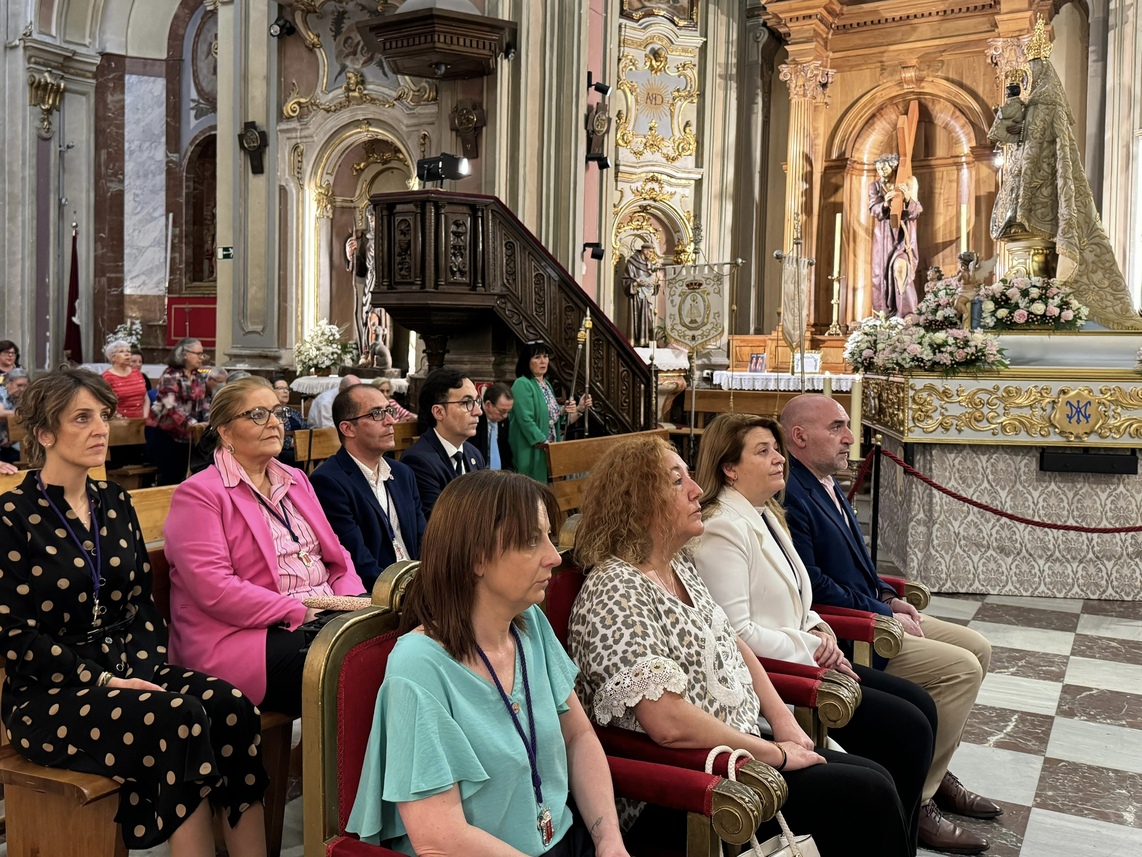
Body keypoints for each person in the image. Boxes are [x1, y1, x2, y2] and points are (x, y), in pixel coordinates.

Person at [566, 434, 911, 857]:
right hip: (685, 784)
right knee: (867, 794)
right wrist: (775, 754)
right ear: (637, 499)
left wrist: (784, 722)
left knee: (876, 778)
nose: (696, 490)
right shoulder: (616, 588)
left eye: (690, 476)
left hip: (739, 752)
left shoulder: (676, 566)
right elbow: (667, 723)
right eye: (677, 481)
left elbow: (730, 641)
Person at [0, 369, 269, 855]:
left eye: (103, 416)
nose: (101, 429)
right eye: (82, 418)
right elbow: (17, 637)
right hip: (50, 695)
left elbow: (141, 605)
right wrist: (106, 681)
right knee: (179, 717)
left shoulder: (114, 501)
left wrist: (143, 670)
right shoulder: (13, 516)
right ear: (43, 433)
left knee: (232, 706)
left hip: (129, 671)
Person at [347, 470, 629, 857]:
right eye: (533, 540)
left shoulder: (529, 625)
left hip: (564, 841)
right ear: (477, 557)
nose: (553, 556)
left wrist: (609, 839)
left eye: (548, 536)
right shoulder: (419, 665)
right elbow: (439, 838)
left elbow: (577, 737)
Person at [691, 413, 937, 852]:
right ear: (729, 467)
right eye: (761, 452)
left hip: (807, 657)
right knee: (907, 729)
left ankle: (904, 831)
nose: (777, 460)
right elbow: (735, 632)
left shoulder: (767, 512)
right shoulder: (722, 526)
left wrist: (819, 625)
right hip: (781, 677)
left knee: (919, 710)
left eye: (776, 450)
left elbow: (800, 597)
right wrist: (815, 646)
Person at [780, 394, 999, 854]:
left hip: (870, 608)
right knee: (959, 669)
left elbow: (855, 566)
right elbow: (815, 585)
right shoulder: (792, 493)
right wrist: (880, 612)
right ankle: (918, 802)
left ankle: (935, 775)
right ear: (799, 436)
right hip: (850, 630)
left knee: (977, 646)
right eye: (837, 427)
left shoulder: (827, 482)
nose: (849, 438)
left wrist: (887, 595)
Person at [164, 376, 365, 716]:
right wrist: (303, 610)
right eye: (258, 414)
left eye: (277, 412)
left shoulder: (295, 478)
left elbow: (336, 557)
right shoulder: (200, 494)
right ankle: (337, 768)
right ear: (225, 431)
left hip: (321, 617)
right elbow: (215, 589)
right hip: (243, 639)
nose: (274, 423)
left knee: (403, 641)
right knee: (363, 668)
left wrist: (352, 601)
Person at [987, 26, 1142, 329]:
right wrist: (1012, 106)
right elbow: (1001, 134)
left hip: (1043, 176)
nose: (1032, 74)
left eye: (1036, 69)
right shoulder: (1027, 106)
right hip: (1022, 175)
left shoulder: (1050, 106)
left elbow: (1057, 147)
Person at [310, 383, 426, 591]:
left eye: (388, 411)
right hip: (380, 594)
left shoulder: (402, 474)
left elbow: (423, 539)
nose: (390, 421)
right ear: (348, 428)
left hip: (419, 581)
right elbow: (357, 561)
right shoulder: (329, 482)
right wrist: (408, 592)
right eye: (376, 415)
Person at [402, 368, 485, 519]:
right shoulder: (418, 461)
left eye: (476, 401)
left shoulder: (474, 454)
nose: (478, 411)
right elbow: (441, 523)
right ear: (439, 412)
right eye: (467, 403)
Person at [508, 341, 591, 483]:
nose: (543, 361)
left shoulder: (547, 385)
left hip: (549, 449)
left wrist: (578, 409)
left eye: (545, 356)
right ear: (527, 361)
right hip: (533, 449)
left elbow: (555, 420)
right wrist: (546, 444)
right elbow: (526, 420)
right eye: (537, 357)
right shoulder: (522, 384)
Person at [147, 338, 209, 486]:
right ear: (185, 354)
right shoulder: (170, 375)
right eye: (198, 354)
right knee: (171, 475)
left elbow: (205, 401)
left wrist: (208, 421)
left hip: (187, 434)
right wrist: (193, 423)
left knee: (189, 473)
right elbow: (171, 405)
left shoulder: (198, 375)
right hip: (165, 433)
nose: (201, 357)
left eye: (203, 354)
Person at [869, 154, 922, 319]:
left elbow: (916, 211)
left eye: (885, 167)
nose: (881, 171)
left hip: (903, 235)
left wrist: (907, 199)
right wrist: (885, 203)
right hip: (883, 236)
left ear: (894, 167)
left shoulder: (907, 183)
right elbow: (873, 209)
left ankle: (906, 314)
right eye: (878, 168)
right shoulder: (875, 186)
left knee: (900, 269)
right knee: (880, 277)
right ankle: (884, 314)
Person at [102, 339, 150, 420]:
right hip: (119, 424)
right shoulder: (107, 377)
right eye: (122, 351)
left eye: (128, 351)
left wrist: (144, 418)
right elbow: (104, 403)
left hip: (139, 423)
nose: (127, 354)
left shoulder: (137, 373)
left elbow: (145, 398)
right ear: (112, 357)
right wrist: (120, 418)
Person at [623, 243, 660, 347]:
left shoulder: (649, 264)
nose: (651, 254)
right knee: (637, 318)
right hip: (636, 297)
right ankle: (636, 341)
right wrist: (636, 283)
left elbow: (653, 281)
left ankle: (647, 342)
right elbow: (626, 280)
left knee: (649, 319)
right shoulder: (631, 262)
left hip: (646, 297)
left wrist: (656, 283)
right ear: (645, 250)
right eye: (651, 252)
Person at [473, 381, 514, 471]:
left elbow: (505, 452)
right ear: (488, 405)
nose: (505, 416)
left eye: (508, 412)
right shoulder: (475, 420)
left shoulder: (503, 421)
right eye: (502, 411)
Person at [270, 375, 307, 467]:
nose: (285, 391)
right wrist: (293, 443)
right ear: (271, 391)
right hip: (282, 451)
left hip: (302, 448)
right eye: (281, 388)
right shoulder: (271, 412)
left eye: (287, 388)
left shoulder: (294, 412)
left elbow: (306, 430)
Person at [0, 367, 29, 464]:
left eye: (25, 386)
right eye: (19, 385)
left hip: (15, 443)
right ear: (8, 383)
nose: (23, 389)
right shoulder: (1, 393)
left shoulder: (25, 397)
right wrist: (23, 414)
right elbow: (1, 413)